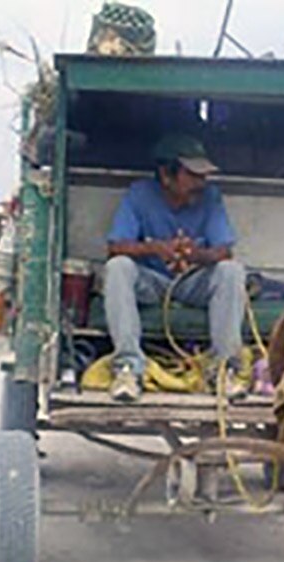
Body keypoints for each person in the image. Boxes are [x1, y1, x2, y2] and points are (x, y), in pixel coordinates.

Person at [104, 134, 248, 403]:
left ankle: (223, 370)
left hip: (192, 282)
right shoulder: (140, 194)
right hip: (154, 283)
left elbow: (224, 251)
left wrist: (196, 255)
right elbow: (115, 246)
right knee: (118, 267)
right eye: (193, 176)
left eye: (203, 176)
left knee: (231, 271)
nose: (200, 183)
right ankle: (128, 369)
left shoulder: (210, 197)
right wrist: (156, 248)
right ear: (166, 174)